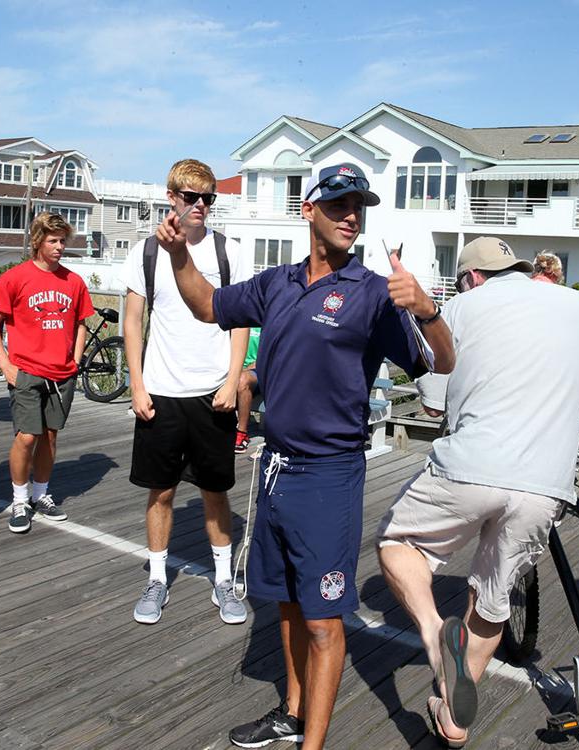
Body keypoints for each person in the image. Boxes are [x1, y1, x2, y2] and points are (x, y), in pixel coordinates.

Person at [157, 162, 455, 750]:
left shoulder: (373, 293)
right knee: (289, 605)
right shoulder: (277, 283)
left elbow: (441, 362)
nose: (352, 216)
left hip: (330, 475)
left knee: (323, 620)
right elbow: (206, 305)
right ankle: (292, 714)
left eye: (360, 207)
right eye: (340, 204)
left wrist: (426, 309)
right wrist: (177, 257)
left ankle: (312, 745)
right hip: (275, 468)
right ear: (308, 211)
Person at [378, 237, 579, 745]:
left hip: (470, 467)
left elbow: (432, 405)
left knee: (399, 544)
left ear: (471, 277)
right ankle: (454, 715)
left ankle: (431, 630)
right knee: (492, 593)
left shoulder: (460, 308)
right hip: (544, 482)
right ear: (519, 269)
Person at [119, 159, 254, 627]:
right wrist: (136, 384)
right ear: (171, 197)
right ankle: (156, 577)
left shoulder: (229, 252)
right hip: (160, 392)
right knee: (161, 492)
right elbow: (132, 321)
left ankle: (222, 580)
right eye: (191, 196)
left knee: (216, 492)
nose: (200, 206)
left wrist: (232, 380)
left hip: (212, 393)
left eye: (208, 198)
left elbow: (240, 321)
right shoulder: (145, 252)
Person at [0, 212, 94, 534]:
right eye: (53, 240)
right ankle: (20, 499)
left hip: (62, 373)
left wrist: (74, 361)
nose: (60, 247)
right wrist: (6, 366)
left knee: (49, 436)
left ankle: (41, 494)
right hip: (27, 371)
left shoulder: (73, 281)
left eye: (63, 240)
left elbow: (80, 323)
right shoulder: (14, 278)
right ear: (37, 241)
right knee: (26, 436)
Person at [235, 327, 262, 453]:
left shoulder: (269, 318)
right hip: (235, 367)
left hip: (259, 368)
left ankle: (242, 433)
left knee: (242, 380)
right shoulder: (237, 319)